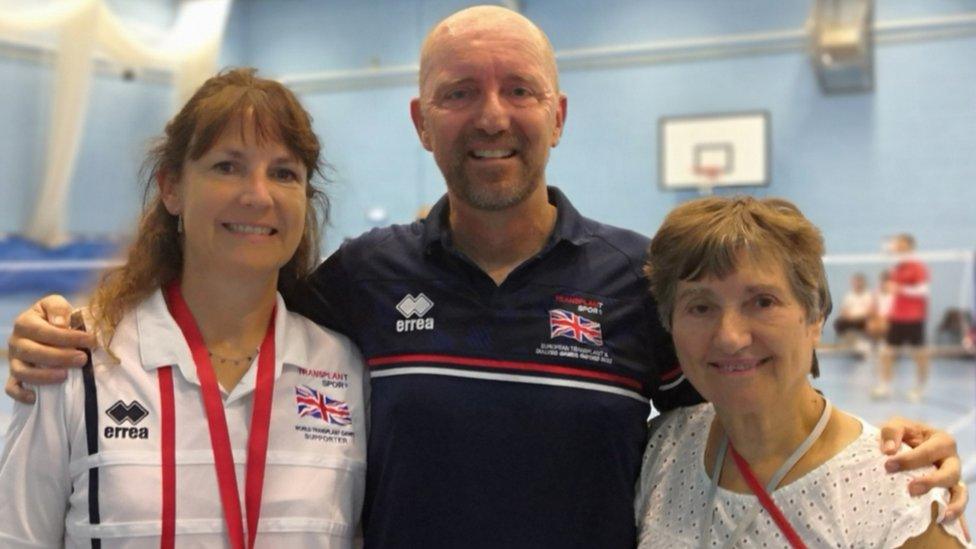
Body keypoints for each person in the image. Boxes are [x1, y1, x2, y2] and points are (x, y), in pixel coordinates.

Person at [4, 6, 967, 548]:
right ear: (423, 123)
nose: (491, 115)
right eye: (460, 94)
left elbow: (742, 401)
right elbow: (224, 297)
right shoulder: (359, 281)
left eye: (517, 91)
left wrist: (891, 456)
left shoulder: (639, 277)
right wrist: (67, 322)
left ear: (559, 113)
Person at [0, 68, 367, 547]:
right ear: (171, 187)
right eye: (227, 166)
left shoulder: (344, 370)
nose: (258, 195)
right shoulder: (77, 358)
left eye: (283, 173)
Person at [636, 196, 968, 548]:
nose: (730, 337)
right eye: (700, 307)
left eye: (763, 302)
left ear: (815, 317)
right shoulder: (660, 451)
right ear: (669, 325)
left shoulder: (897, 493)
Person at [873, 234, 931, 402]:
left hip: (914, 317)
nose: (897, 246)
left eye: (901, 244)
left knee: (919, 355)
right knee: (887, 352)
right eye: (897, 244)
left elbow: (923, 291)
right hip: (896, 316)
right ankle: (884, 386)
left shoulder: (917, 266)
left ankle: (919, 388)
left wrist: (900, 289)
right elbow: (887, 251)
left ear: (910, 246)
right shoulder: (896, 267)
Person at [833, 272, 874, 355]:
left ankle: (868, 344)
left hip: (863, 319)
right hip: (850, 319)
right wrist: (849, 317)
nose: (857, 284)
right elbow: (843, 310)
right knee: (839, 323)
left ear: (863, 283)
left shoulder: (869, 295)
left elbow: (870, 311)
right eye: (855, 282)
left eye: (859, 282)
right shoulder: (849, 296)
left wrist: (859, 317)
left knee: (872, 324)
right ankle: (856, 344)